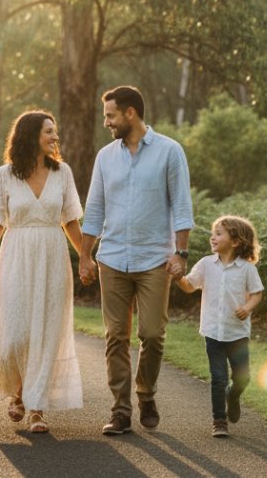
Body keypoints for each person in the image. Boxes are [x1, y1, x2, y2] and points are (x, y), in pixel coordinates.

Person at [78, 85, 194, 435]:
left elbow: (182, 207)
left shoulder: (170, 152)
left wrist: (181, 253)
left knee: (153, 334)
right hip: (112, 258)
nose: (107, 123)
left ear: (130, 113)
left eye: (111, 116)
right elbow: (94, 209)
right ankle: (121, 410)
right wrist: (85, 256)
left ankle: (145, 394)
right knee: (115, 335)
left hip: (154, 259)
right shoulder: (105, 157)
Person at [0, 110, 85, 434]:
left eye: (55, 131)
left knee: (47, 334)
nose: (55, 137)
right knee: (16, 335)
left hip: (52, 256)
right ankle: (18, 390)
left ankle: (35, 407)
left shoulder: (62, 172)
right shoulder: (5, 175)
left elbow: (71, 221)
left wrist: (87, 258)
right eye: (48, 131)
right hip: (16, 256)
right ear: (29, 135)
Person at [175, 215, 265, 437]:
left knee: (243, 378)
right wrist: (178, 277)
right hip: (213, 332)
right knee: (218, 378)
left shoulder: (247, 269)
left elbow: (257, 293)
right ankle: (219, 421)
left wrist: (248, 307)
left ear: (235, 241)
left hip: (237, 334)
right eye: (213, 233)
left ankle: (232, 396)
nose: (212, 237)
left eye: (218, 233)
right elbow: (189, 286)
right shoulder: (206, 264)